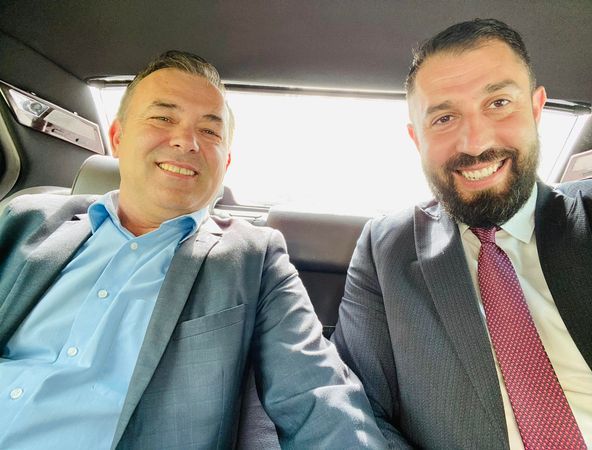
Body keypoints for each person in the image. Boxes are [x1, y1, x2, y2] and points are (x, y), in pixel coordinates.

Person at [0, 50, 386, 449]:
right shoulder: (25, 218)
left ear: (226, 161)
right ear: (118, 137)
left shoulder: (252, 256)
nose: (186, 141)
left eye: (210, 131)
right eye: (163, 118)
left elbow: (315, 393)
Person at [333, 19, 592, 449]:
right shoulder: (386, 248)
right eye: (443, 117)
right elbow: (358, 408)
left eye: (498, 103)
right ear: (416, 139)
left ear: (536, 109)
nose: (474, 143)